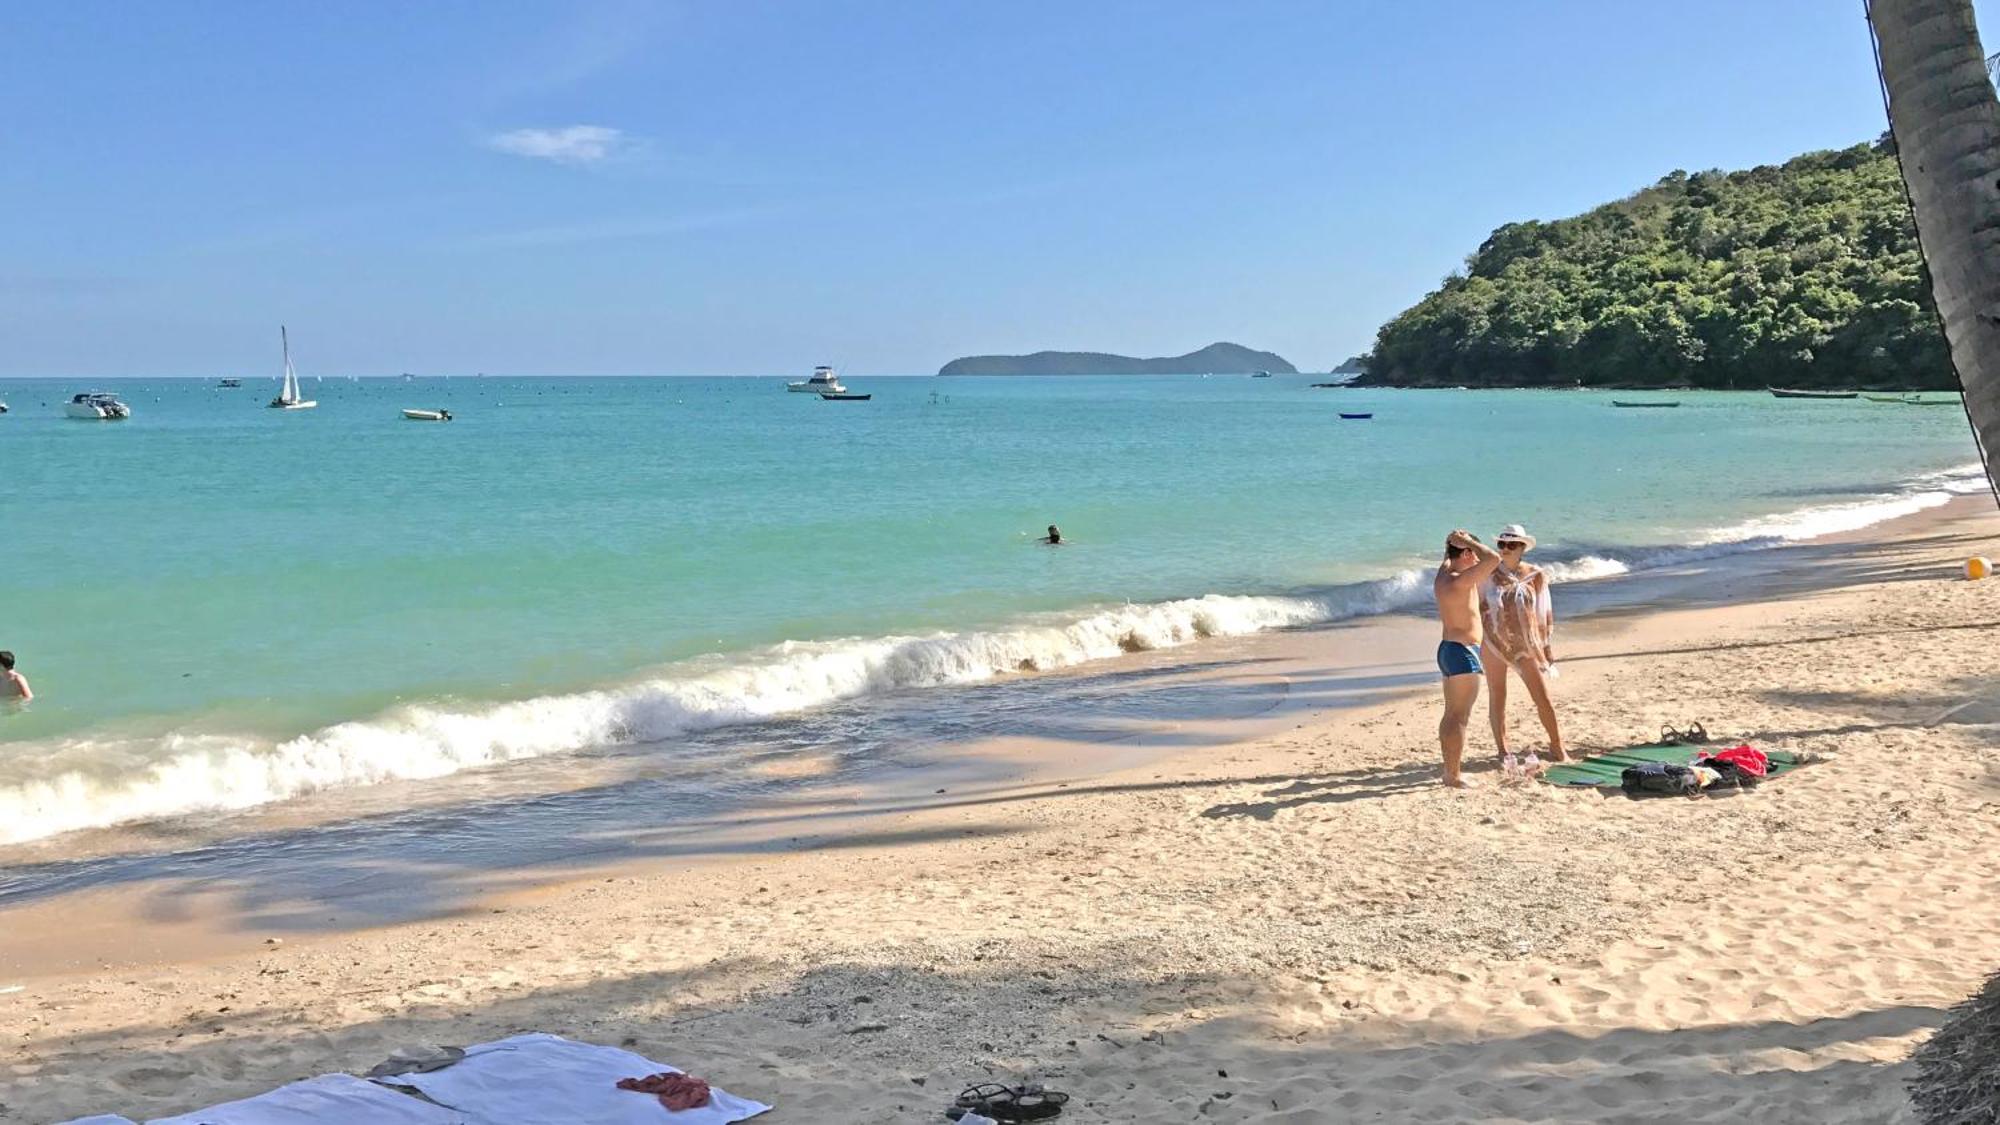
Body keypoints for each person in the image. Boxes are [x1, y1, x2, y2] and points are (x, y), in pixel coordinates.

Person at [1481, 524, 1566, 764]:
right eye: (1501, 544)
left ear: (1522, 548)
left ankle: (1558, 747)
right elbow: (1476, 605)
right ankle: (1503, 750)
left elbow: (1543, 613)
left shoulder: (1535, 575)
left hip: (1525, 645)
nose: (1505, 549)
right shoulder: (1487, 574)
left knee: (1542, 697)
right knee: (1498, 695)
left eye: (1511, 545)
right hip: (1493, 641)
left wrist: (1546, 649)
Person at [1433, 530, 1501, 787]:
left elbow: (1451, 559)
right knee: (1458, 716)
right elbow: (1493, 559)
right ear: (1466, 553)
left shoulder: (1442, 576)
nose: (1476, 558)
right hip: (1462, 652)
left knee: (1451, 713)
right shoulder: (1458, 581)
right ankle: (1453, 775)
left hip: (1449, 649)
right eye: (1472, 552)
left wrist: (1451, 544)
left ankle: (1450, 771)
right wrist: (1470, 543)